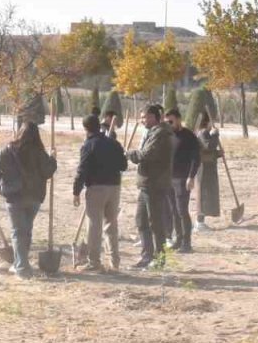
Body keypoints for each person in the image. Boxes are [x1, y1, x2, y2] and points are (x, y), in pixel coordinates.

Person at [0, 122, 57, 277]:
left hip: (14, 197)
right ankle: (21, 262)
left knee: (18, 232)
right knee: (26, 231)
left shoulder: (7, 150)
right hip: (34, 197)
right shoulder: (40, 152)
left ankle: (21, 267)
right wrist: (53, 158)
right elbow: (48, 172)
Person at [73, 115, 128, 271]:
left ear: (86, 129)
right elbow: (123, 166)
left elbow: (82, 170)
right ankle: (114, 262)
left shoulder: (88, 145)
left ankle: (94, 262)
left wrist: (76, 191)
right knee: (111, 225)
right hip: (114, 187)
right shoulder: (114, 143)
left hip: (97, 188)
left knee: (94, 226)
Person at [127, 104, 174, 269]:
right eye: (141, 117)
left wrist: (130, 154)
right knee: (141, 220)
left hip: (155, 183)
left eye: (145, 117)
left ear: (155, 117)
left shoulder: (160, 133)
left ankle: (159, 259)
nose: (142, 120)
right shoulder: (152, 132)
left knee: (155, 223)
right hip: (146, 184)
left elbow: (146, 154)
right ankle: (146, 256)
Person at [165, 109, 201, 253]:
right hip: (168, 178)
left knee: (182, 211)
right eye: (167, 121)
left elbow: (195, 158)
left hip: (182, 179)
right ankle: (179, 239)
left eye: (171, 121)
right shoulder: (167, 135)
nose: (169, 124)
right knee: (173, 210)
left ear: (179, 119)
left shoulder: (189, 136)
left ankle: (187, 243)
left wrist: (191, 177)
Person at [194, 112, 222, 231]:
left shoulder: (201, 132)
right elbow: (208, 147)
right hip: (203, 167)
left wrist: (218, 154)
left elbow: (209, 152)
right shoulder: (203, 132)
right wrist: (215, 135)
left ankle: (201, 220)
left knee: (206, 193)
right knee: (203, 193)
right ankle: (199, 222)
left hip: (206, 166)